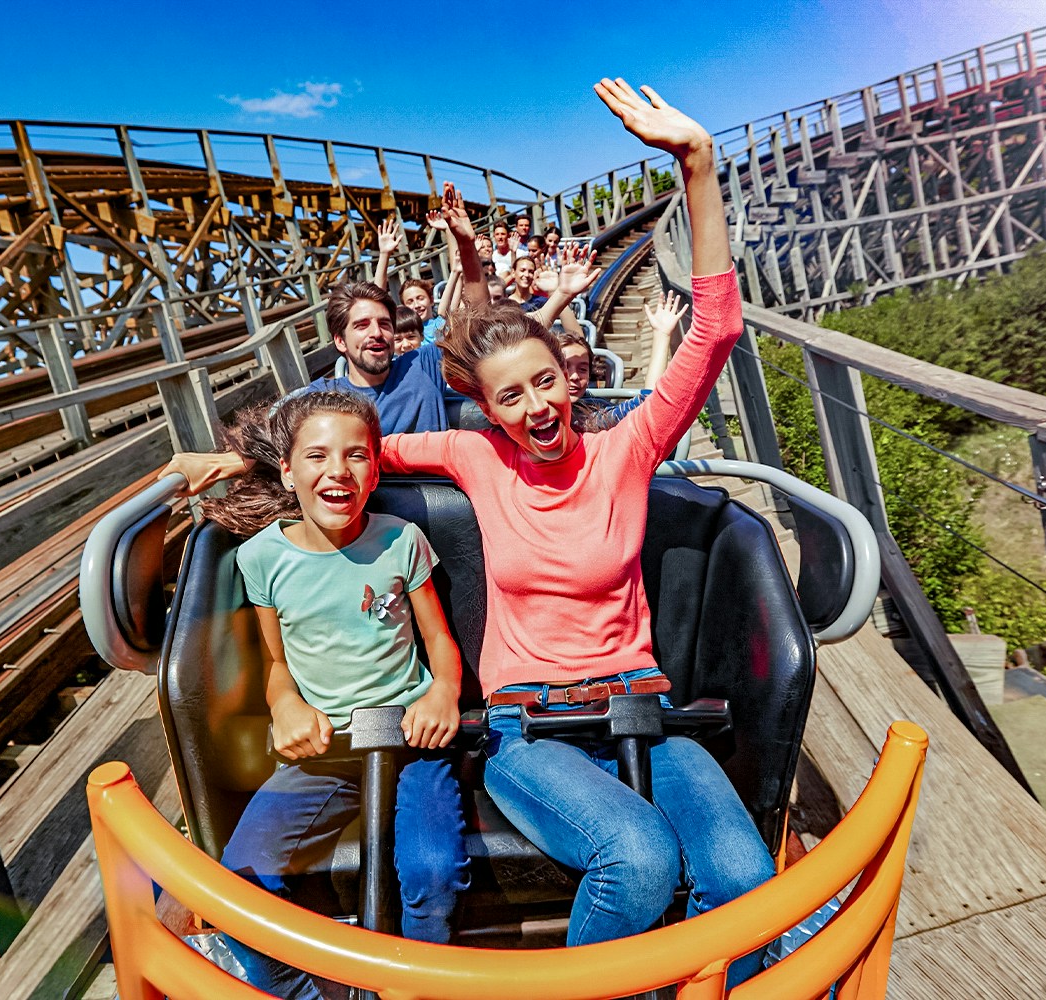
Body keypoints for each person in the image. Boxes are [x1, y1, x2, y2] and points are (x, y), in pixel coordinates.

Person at [164, 79, 780, 987]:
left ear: (570, 382)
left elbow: (715, 330)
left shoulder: (627, 449)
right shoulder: (474, 457)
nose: (536, 407)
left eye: (546, 383)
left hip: (644, 706)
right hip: (530, 726)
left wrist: (698, 165)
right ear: (487, 411)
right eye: (510, 396)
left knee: (747, 882)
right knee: (640, 861)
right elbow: (354, 450)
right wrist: (250, 463)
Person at [200, 390, 469, 1000]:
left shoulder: (400, 540)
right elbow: (276, 662)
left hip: (410, 740)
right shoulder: (262, 557)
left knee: (433, 871)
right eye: (316, 456)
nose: (337, 471)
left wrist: (443, 692)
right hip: (329, 752)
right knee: (240, 881)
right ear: (288, 471)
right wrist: (285, 705)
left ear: (375, 469)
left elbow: (438, 642)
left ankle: (417, 988)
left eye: (355, 456)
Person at [307, 282, 451, 434]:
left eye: (384, 324)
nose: (377, 332)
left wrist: (467, 265)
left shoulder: (422, 363)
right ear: (341, 341)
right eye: (362, 325)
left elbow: (475, 323)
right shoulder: (323, 395)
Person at [569, 289, 686, 429]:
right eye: (564, 367)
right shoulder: (580, 420)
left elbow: (646, 404)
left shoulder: (587, 411)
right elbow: (646, 405)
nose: (574, 376)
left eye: (582, 369)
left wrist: (661, 334)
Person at [399, 277, 445, 343]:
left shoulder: (445, 323)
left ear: (431, 300)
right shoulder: (405, 339)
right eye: (410, 302)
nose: (417, 305)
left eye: (420, 298)